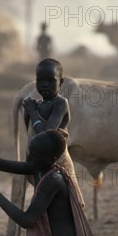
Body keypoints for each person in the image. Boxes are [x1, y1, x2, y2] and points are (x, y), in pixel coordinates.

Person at [22, 57, 85, 206]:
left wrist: (32, 112)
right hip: (42, 164)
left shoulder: (60, 103)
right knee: (45, 205)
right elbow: (31, 136)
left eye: (51, 81)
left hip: (59, 165)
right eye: (40, 80)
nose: (45, 85)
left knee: (65, 205)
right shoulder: (37, 106)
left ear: (61, 82)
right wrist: (30, 112)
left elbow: (46, 134)